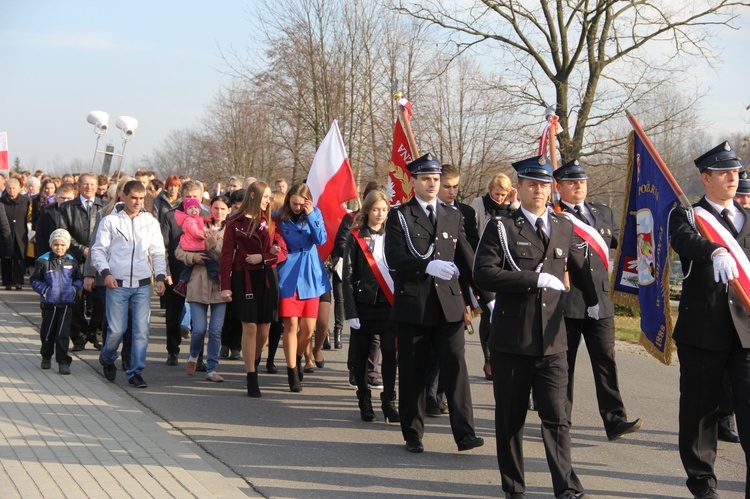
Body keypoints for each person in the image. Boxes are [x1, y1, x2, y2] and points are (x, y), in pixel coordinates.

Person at [473, 155, 599, 499]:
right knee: (511, 420)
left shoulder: (562, 225)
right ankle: (514, 488)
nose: (539, 191)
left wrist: (595, 299)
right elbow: (482, 273)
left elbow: (578, 264)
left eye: (544, 185)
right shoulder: (501, 227)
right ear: (520, 189)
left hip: (552, 340)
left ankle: (566, 487)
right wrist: (533, 279)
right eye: (533, 184)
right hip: (513, 341)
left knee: (557, 418)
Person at [384, 152, 483, 454]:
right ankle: (413, 432)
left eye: (436, 179)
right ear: (413, 182)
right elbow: (395, 257)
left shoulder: (454, 215)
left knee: (456, 369)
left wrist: (486, 297)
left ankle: (465, 433)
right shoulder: (399, 215)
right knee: (413, 371)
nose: (432, 183)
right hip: (415, 305)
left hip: (449, 305)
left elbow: (467, 258)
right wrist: (425, 266)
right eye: (426, 178)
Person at [669, 142, 750, 499]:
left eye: (735, 172)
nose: (733, 177)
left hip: (746, 332)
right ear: (705, 178)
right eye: (724, 172)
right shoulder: (687, 214)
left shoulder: (748, 217)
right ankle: (702, 481)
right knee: (700, 412)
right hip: (704, 331)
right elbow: (684, 241)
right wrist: (713, 249)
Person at [553, 159, 643, 441]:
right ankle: (560, 420)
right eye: (571, 182)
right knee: (563, 365)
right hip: (567, 302)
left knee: (606, 361)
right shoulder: (553, 216)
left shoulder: (602, 213)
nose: (578, 185)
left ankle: (615, 420)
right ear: (558, 186)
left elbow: (623, 243)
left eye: (581, 181)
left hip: (601, 302)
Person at [90, 180, 167, 389]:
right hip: (117, 283)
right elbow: (98, 250)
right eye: (133, 198)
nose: (137, 202)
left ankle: (135, 372)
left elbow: (158, 251)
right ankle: (107, 357)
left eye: (141, 199)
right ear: (123, 196)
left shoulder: (150, 222)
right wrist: (105, 273)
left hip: (142, 284)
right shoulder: (110, 221)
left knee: (141, 331)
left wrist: (160, 277)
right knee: (116, 330)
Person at [220, 182, 287, 396]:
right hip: (244, 277)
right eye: (265, 197)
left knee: (264, 330)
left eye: (269, 197)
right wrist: (225, 286)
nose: (268, 201)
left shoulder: (272, 221)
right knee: (249, 327)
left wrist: (266, 256)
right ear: (253, 197)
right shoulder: (234, 223)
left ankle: (254, 360)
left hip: (267, 276)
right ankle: (251, 376)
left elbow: (282, 251)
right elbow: (226, 256)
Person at [343, 189, 399, 423]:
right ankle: (364, 398)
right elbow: (347, 275)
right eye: (376, 209)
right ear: (367, 210)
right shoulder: (355, 237)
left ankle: (389, 401)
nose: (380, 214)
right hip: (364, 303)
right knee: (363, 355)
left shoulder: (394, 236)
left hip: (388, 304)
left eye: (384, 210)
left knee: (389, 351)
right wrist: (351, 311)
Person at [276, 183, 330, 392]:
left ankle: (297, 357)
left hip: (310, 274)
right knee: (290, 325)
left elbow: (321, 239)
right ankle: (291, 371)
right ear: (288, 199)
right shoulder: (278, 216)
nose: (297, 207)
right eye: (294, 203)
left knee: (308, 328)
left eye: (301, 204)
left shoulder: (315, 214)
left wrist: (311, 216)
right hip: (288, 274)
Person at [179, 195, 233, 383]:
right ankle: (194, 355)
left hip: (220, 285)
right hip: (198, 282)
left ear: (229, 211)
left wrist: (213, 246)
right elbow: (179, 250)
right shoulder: (197, 224)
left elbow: (231, 256)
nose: (219, 212)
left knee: (216, 330)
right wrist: (192, 258)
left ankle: (212, 368)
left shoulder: (231, 230)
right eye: (216, 208)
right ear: (210, 208)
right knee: (199, 329)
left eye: (223, 209)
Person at [470, 172, 519, 379]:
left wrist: (514, 204)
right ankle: (489, 359)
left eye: (503, 195)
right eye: (496, 194)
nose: (499, 198)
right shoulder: (479, 204)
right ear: (490, 190)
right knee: (490, 313)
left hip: (506, 266)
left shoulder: (511, 207)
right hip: (484, 264)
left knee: (506, 312)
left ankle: (504, 358)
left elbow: (520, 225)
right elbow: (471, 233)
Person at [58, 173, 105, 351]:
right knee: (75, 299)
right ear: (79, 186)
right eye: (85, 184)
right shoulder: (67, 208)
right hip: (74, 259)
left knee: (99, 299)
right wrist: (82, 249)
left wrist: (94, 251)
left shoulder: (104, 207)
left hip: (99, 260)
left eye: (92, 184)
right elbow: (63, 232)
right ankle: (79, 335)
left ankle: (96, 332)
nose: (89, 187)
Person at [161, 180, 206, 366]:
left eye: (195, 196)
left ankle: (198, 356)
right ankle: (172, 350)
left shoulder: (207, 215)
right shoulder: (170, 216)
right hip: (176, 270)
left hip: (201, 272)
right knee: (173, 315)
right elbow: (162, 246)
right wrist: (165, 272)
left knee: (199, 319)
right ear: (182, 197)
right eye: (188, 196)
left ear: (201, 197)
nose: (192, 200)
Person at [30, 229, 83, 375]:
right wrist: (45, 290)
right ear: (51, 245)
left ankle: (63, 361)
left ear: (67, 246)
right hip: (49, 304)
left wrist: (73, 290)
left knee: (62, 334)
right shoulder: (43, 261)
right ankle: (46, 356)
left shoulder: (72, 262)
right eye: (56, 244)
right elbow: (34, 280)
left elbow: (79, 279)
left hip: (66, 304)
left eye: (62, 245)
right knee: (47, 332)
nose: (59, 248)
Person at [172, 198, 219, 297]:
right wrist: (205, 233)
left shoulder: (196, 218)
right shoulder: (189, 220)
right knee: (209, 260)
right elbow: (195, 232)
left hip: (192, 245)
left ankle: (182, 282)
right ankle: (216, 275)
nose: (194, 209)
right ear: (186, 210)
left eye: (196, 207)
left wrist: (208, 219)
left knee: (188, 267)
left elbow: (201, 220)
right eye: (190, 208)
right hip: (192, 246)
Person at [1, 178, 30, 290]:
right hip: (5, 233)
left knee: (19, 257)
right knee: (6, 257)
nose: (12, 191)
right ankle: (7, 281)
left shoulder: (25, 200)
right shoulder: (2, 201)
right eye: (9, 188)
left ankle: (18, 281)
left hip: (20, 232)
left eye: (14, 188)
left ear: (19, 188)